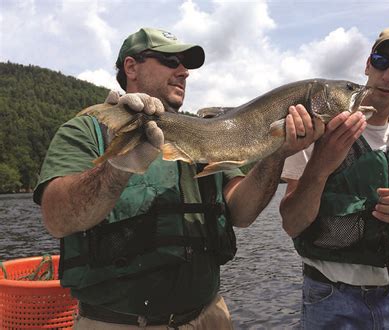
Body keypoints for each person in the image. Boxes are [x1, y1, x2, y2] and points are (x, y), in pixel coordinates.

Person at [33, 27, 318, 328]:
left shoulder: (207, 135)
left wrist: (276, 153)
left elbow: (242, 212)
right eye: (171, 61)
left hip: (208, 316)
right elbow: (57, 218)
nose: (184, 72)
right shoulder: (85, 130)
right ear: (131, 67)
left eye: (186, 65)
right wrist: (118, 166)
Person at [280, 24, 389, 329]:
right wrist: (321, 163)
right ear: (368, 64)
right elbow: (291, 222)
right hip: (327, 296)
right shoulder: (314, 125)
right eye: (382, 61)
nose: (388, 75)